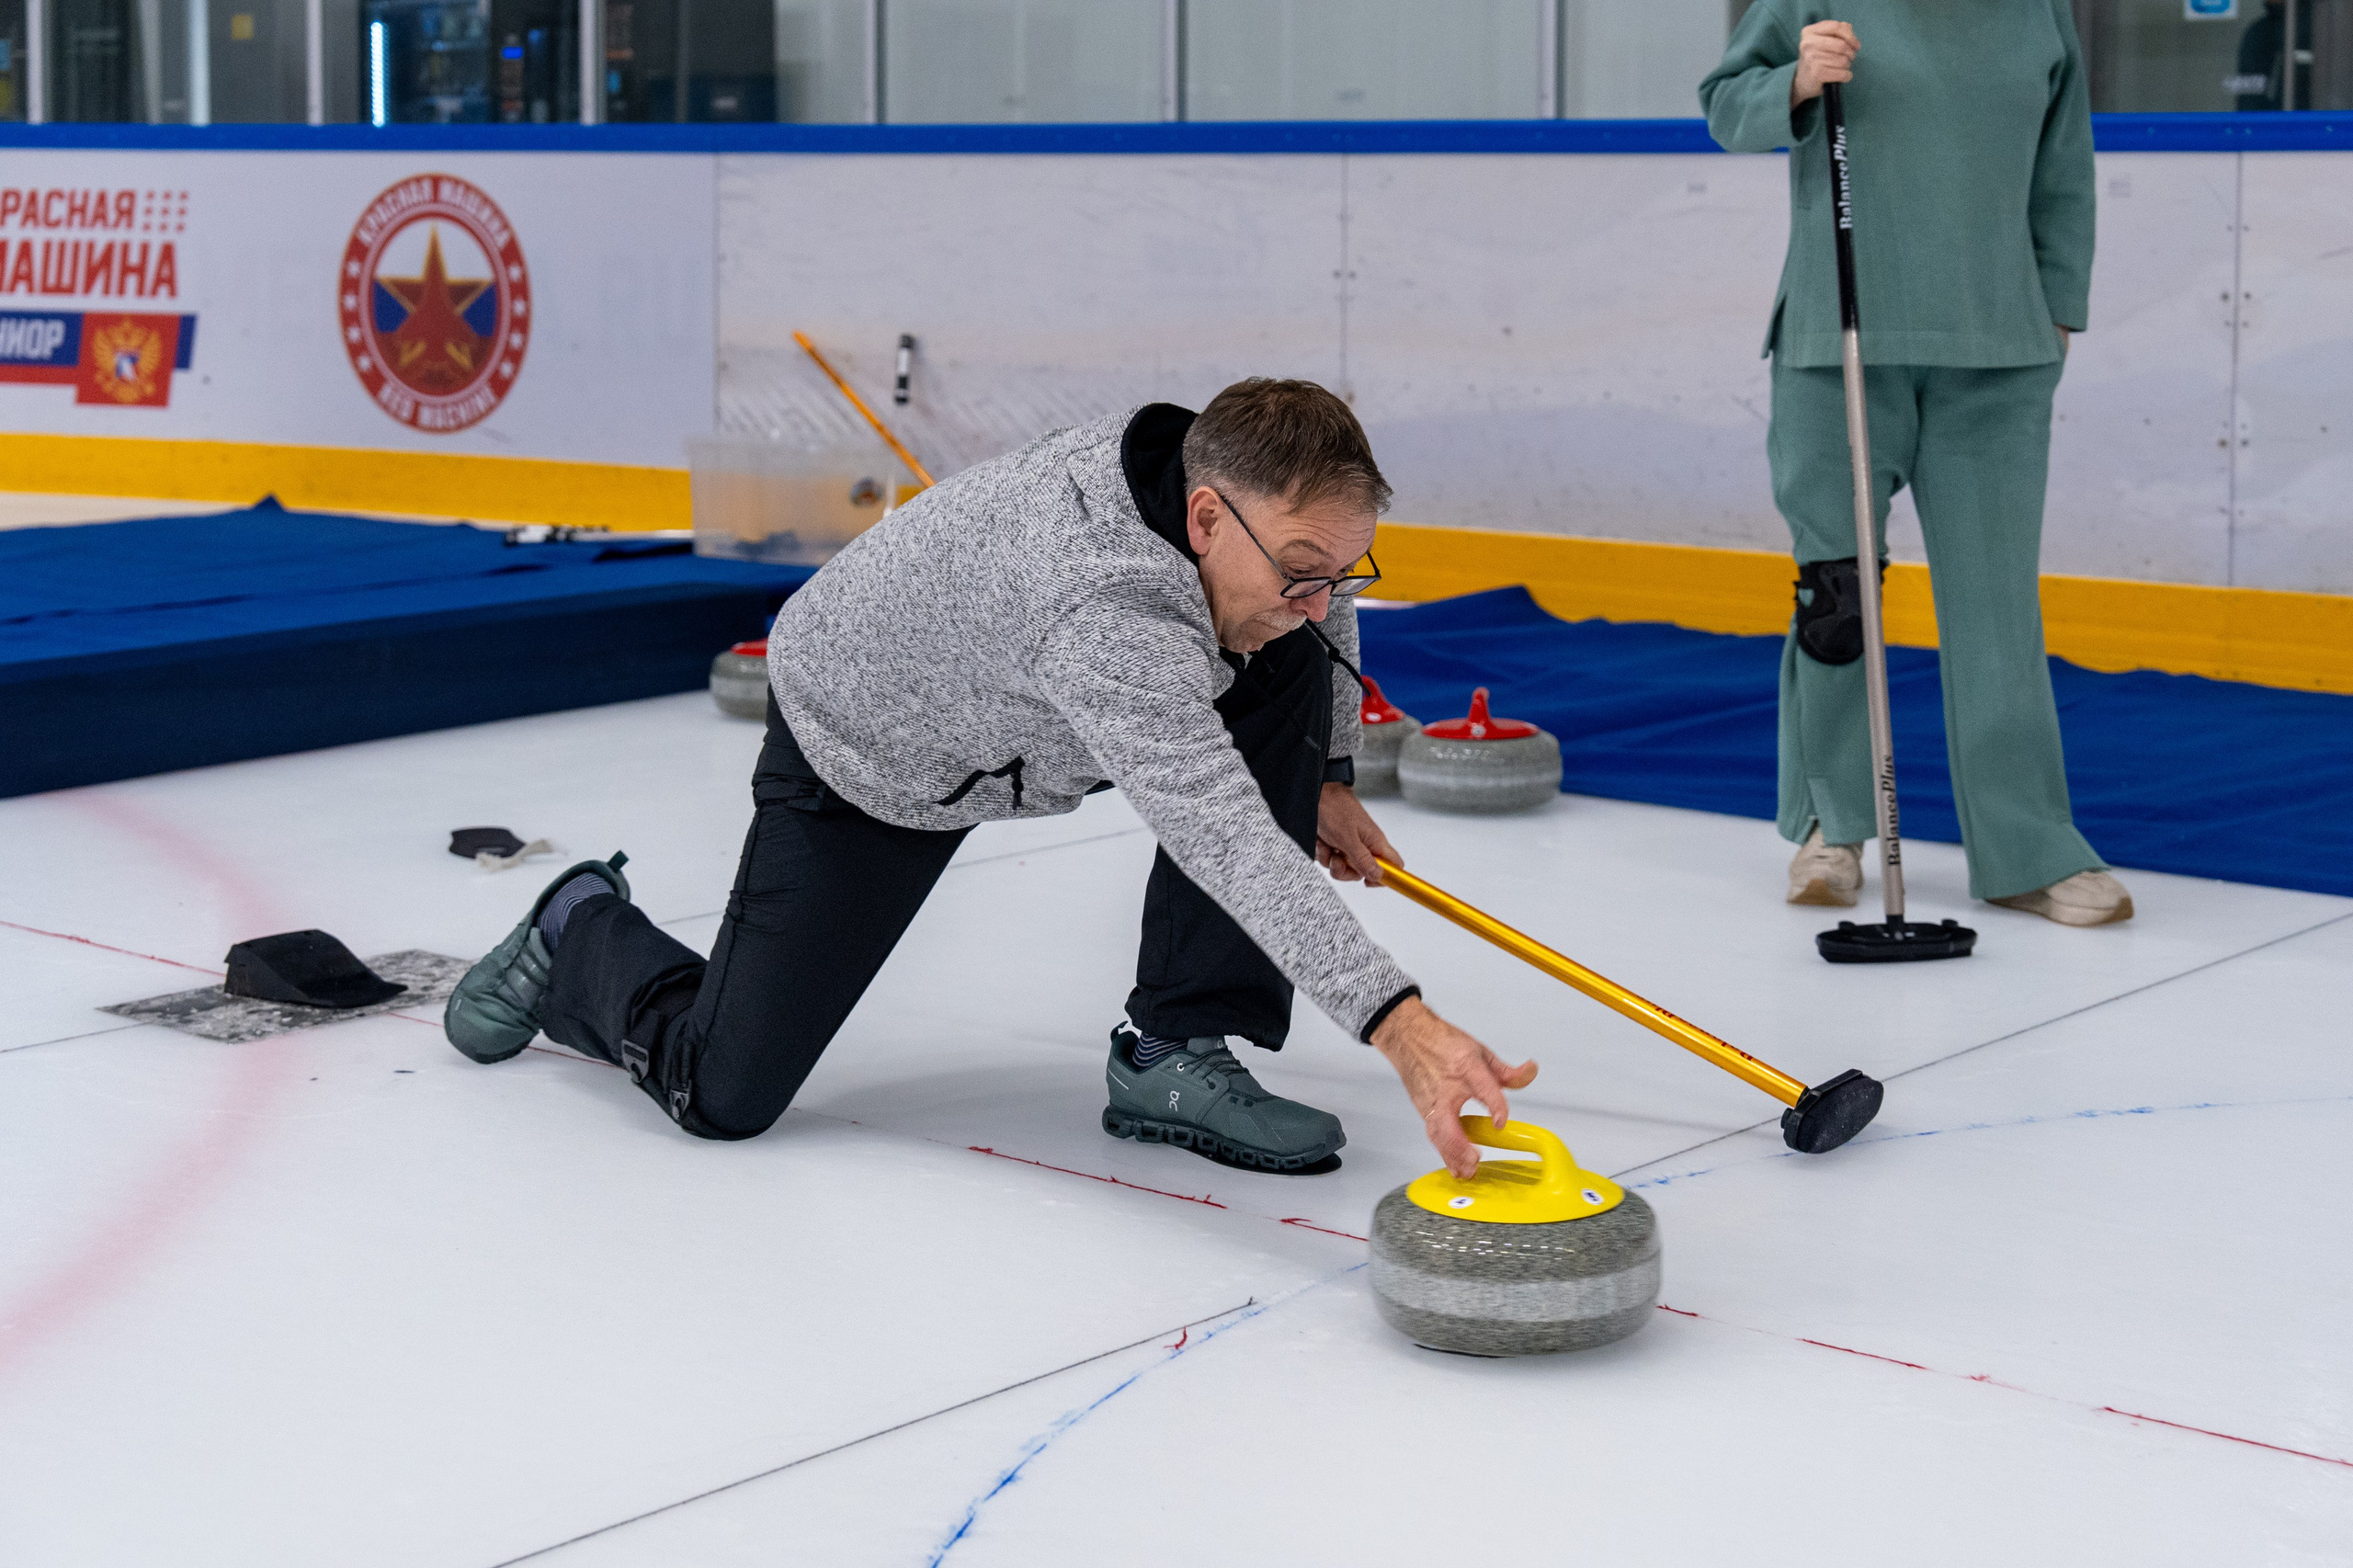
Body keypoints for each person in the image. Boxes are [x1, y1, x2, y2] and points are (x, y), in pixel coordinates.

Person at [443, 379, 1535, 1177]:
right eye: (1302, 569)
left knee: (1283, 642)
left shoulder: (1242, 501)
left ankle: (1174, 1048)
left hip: (1019, 708)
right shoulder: (1103, 608)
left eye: (1338, 567)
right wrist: (1401, 1023)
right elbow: (1221, 830)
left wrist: (1327, 771)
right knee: (721, 1091)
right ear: (1205, 516)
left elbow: (1322, 583)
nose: (1323, 591)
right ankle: (575, 927)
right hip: (874, 743)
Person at [1700, 3, 2133, 926]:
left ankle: (2026, 847)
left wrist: (2057, 309)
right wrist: (1792, 81)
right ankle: (1832, 822)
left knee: (1995, 606)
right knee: (1837, 594)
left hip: (1999, 350)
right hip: (1838, 341)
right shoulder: (1813, 2)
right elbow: (1726, 106)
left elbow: (2064, 169)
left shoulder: (2038, 12)